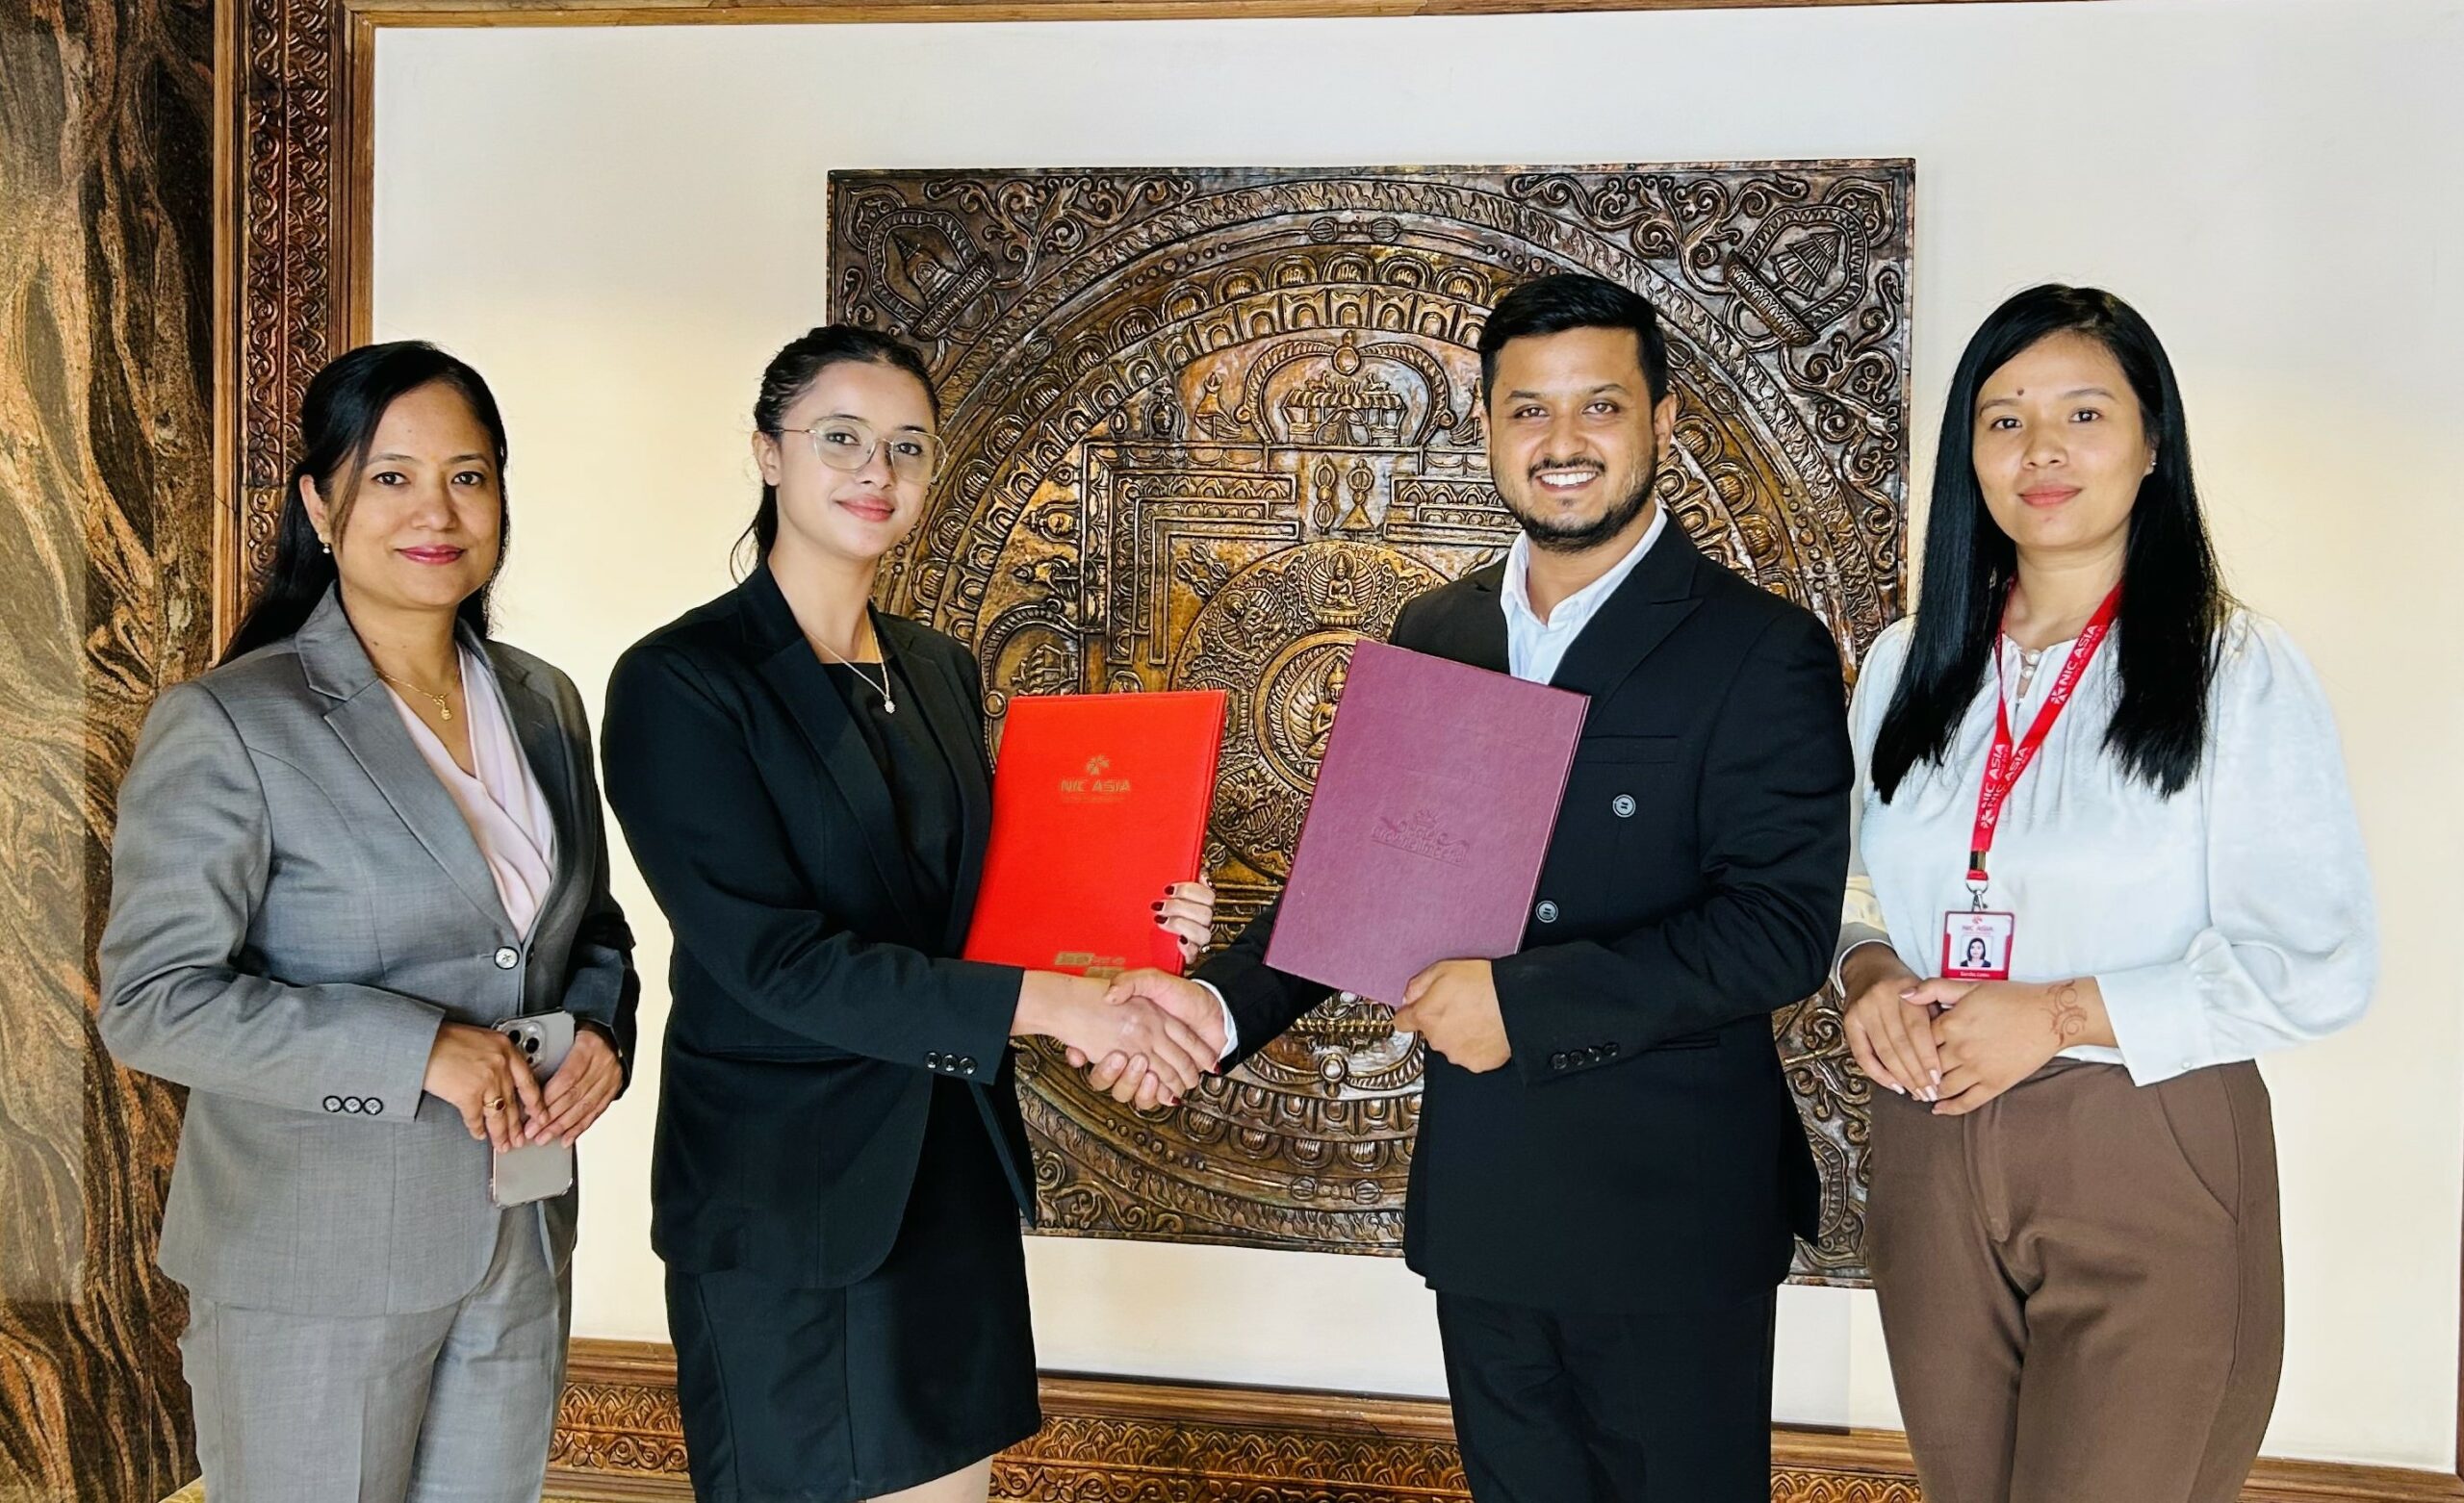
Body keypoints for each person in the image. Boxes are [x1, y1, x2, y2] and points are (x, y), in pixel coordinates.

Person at [1098, 273, 1853, 1500]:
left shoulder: (1758, 647)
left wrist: (1524, 1001)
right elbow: (1356, 880)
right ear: (1489, 429)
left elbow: (1777, 930)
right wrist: (1216, 1007)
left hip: (1671, 1216)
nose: (1563, 440)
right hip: (1487, 1203)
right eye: (1528, 409)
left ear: (1662, 422)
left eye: (1600, 404)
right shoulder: (1436, 627)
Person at [599, 326, 1216, 1503]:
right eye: (840, 437)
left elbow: (982, 911)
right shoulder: (681, 679)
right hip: (789, 1201)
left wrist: (1134, 929)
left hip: (947, 1175)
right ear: (768, 453)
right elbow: (774, 960)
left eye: (907, 446)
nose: (875, 470)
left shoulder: (937, 668)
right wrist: (1063, 1002)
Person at [1834, 285, 2375, 1502]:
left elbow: (2317, 959)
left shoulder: (2233, 668)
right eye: (2004, 419)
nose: (2041, 450)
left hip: (2142, 1132)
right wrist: (1866, 968)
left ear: (2151, 443)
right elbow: (1851, 876)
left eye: (2083, 414)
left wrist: (2060, 1011)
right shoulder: (1910, 661)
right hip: (1928, 1139)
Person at [98, 342, 639, 1501]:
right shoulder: (232, 721)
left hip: (518, 1238)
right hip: (312, 1258)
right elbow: (152, 1001)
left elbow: (588, 928)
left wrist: (601, 1031)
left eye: (468, 475)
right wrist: (417, 1051)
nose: (436, 511)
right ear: (319, 503)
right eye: (391, 476)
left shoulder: (542, 700)